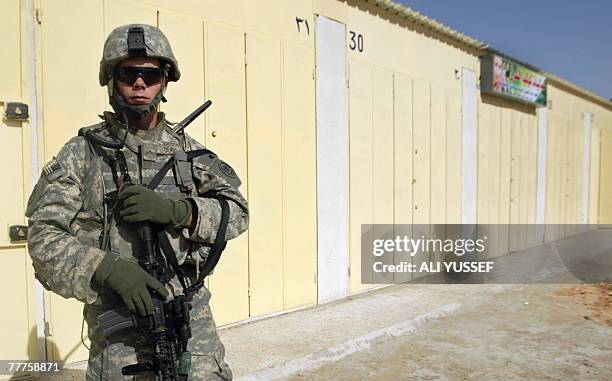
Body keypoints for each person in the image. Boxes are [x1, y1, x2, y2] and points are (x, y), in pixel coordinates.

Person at [25, 23, 248, 380]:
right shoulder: (82, 155)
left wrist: (181, 212)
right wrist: (106, 268)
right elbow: (43, 239)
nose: (140, 83)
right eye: (130, 73)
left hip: (189, 322)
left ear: (164, 81)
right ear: (111, 79)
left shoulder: (189, 153)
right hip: (119, 330)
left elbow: (236, 212)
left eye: (150, 74)